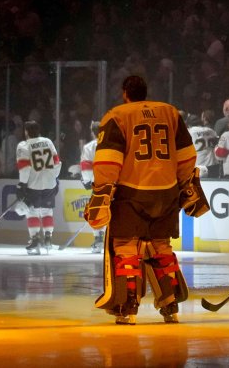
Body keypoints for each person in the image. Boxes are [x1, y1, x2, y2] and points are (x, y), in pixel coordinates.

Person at [84, 75, 198, 325]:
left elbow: (107, 160)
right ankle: (171, 305)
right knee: (161, 248)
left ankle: (128, 307)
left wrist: (101, 193)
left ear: (125, 92)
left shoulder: (116, 115)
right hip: (166, 193)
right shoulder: (170, 112)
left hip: (131, 193)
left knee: (126, 249)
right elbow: (187, 155)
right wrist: (184, 184)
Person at [17, 121, 60, 254]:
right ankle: (48, 239)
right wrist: (54, 178)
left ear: (26, 131)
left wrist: (22, 184)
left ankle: (35, 240)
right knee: (47, 211)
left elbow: (24, 168)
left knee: (32, 212)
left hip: (33, 185)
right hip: (49, 183)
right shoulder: (48, 141)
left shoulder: (24, 145)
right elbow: (57, 161)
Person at [79, 120, 105, 253]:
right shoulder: (115, 145)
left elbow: (86, 167)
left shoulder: (89, 147)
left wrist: (88, 181)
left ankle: (98, 238)